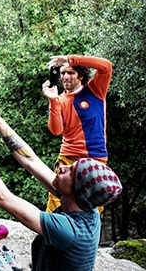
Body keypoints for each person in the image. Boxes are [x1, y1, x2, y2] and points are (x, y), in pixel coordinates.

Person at [0, 81, 122, 271]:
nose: (63, 168)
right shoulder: (84, 203)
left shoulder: (68, 231)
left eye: (71, 172)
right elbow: (31, 160)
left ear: (77, 190)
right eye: (71, 165)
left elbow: (1, 197)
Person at [41, 54, 112, 213]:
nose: (65, 76)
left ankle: (85, 236)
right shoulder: (58, 100)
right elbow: (56, 130)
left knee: (93, 207)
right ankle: (51, 235)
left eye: (70, 72)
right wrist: (52, 100)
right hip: (68, 157)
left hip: (94, 158)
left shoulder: (95, 90)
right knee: (56, 203)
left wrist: (70, 59)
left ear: (80, 75)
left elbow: (106, 66)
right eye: (63, 73)